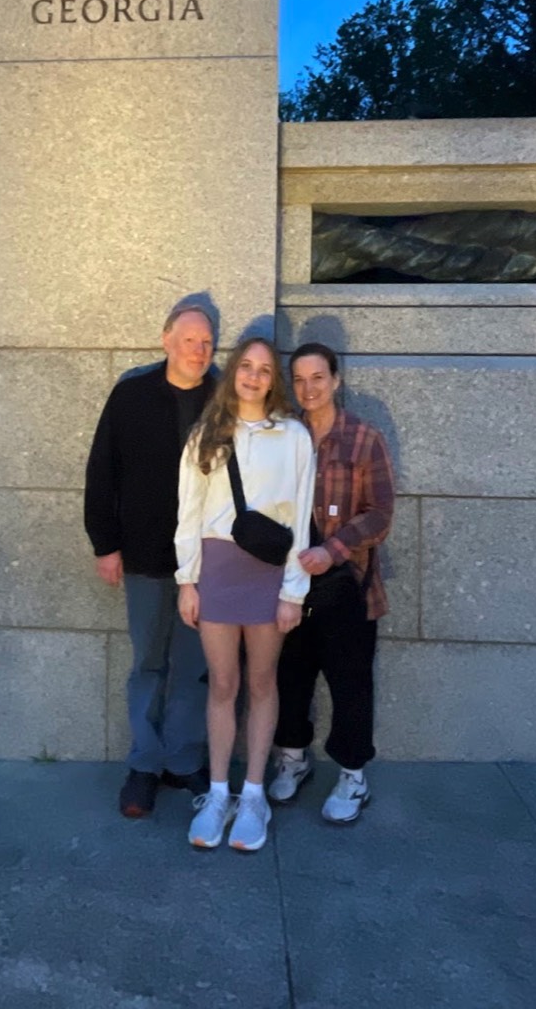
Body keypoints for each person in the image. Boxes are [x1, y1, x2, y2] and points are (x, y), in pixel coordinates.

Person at [175, 337, 315, 851]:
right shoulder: (206, 436)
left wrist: (293, 592)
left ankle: (253, 794)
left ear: (273, 380)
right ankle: (218, 794)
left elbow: (301, 517)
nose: (253, 377)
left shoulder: (293, 436)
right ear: (233, 372)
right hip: (216, 569)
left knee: (261, 682)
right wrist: (187, 580)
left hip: (268, 574)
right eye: (246, 367)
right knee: (222, 684)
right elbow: (188, 513)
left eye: (264, 370)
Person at [84, 301, 217, 818]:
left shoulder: (222, 399)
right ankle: (143, 765)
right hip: (142, 555)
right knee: (147, 664)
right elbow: (102, 472)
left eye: (207, 342)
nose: (199, 351)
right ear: (166, 341)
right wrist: (105, 544)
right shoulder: (131, 395)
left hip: (207, 563)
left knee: (192, 666)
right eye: (189, 340)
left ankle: (182, 760)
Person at [269, 341, 394, 823]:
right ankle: (294, 758)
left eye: (318, 377)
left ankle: (352, 774)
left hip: (348, 582)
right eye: (299, 380)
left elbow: (380, 513)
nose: (309, 388)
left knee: (350, 681)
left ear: (336, 380)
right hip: (293, 580)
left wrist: (333, 549)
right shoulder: (284, 435)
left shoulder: (364, 439)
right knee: (291, 675)